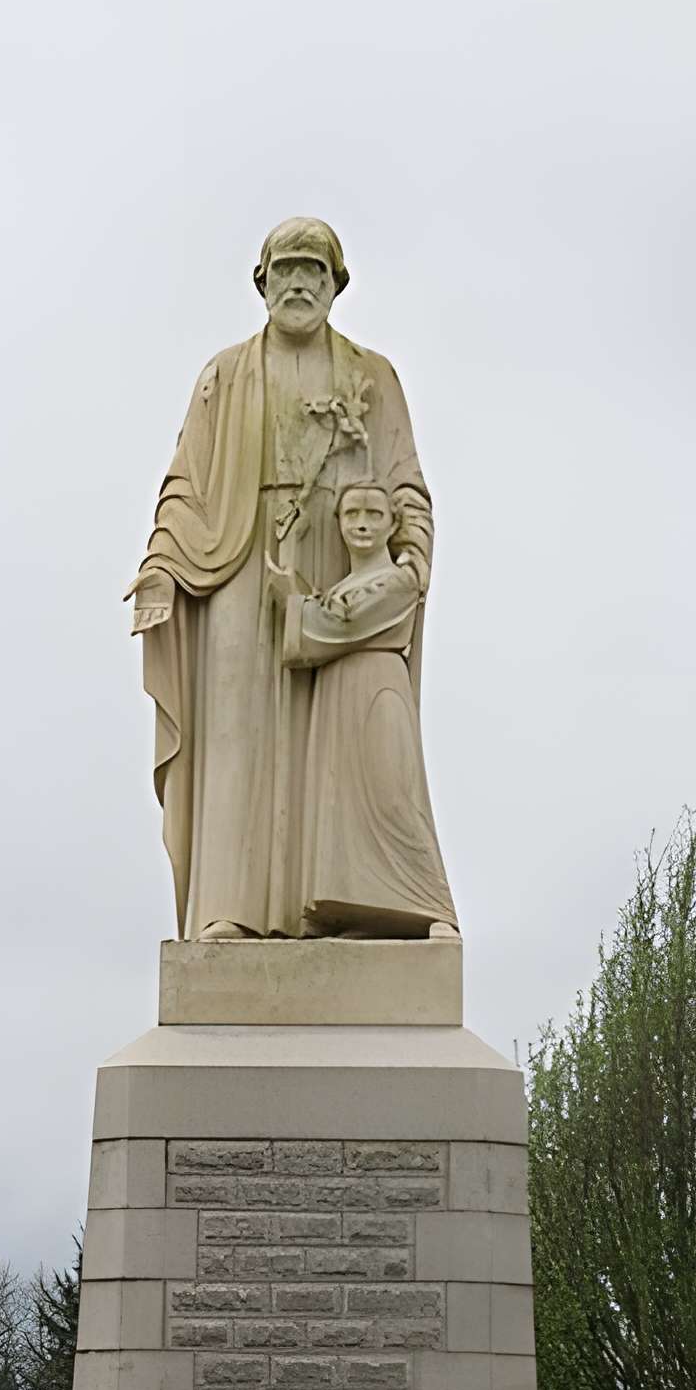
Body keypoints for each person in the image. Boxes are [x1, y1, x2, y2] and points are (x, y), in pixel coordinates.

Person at [128, 218, 456, 941]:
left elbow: (406, 481)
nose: (299, 283)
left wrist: (413, 557)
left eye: (315, 270)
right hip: (242, 559)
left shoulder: (373, 375)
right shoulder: (224, 374)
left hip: (343, 564)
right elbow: (184, 483)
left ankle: (349, 904)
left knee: (345, 739)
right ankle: (230, 912)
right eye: (286, 270)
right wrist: (160, 565)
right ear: (262, 282)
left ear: (336, 285)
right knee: (236, 730)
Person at [277, 481, 458, 937]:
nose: (361, 523)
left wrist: (290, 601)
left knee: (392, 795)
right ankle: (354, 908)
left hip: (379, 689)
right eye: (351, 513)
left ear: (393, 523)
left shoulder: (400, 579)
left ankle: (433, 907)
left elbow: (337, 623)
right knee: (338, 803)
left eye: (374, 514)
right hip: (336, 696)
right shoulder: (343, 585)